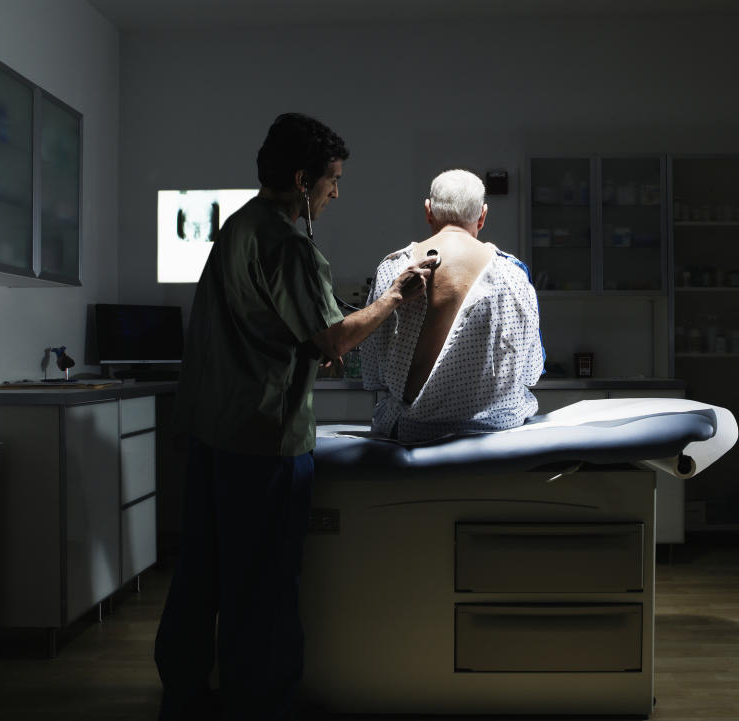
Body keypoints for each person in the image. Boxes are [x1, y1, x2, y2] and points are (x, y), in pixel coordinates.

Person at [154, 113, 433, 721]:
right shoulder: (289, 244)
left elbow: (259, 325)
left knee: (199, 574)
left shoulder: (237, 228)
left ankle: (183, 697)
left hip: (207, 433)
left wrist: (306, 343)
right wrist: (393, 298)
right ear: (303, 180)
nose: (337, 191)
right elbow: (333, 340)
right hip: (261, 443)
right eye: (333, 179)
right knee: (263, 589)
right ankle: (261, 705)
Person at [361, 169, 544, 442]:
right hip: (496, 431)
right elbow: (531, 372)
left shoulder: (394, 269)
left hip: (412, 432)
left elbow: (373, 371)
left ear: (428, 211)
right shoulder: (512, 274)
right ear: (482, 216)